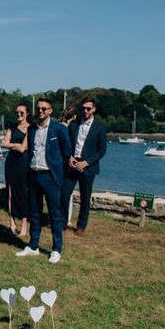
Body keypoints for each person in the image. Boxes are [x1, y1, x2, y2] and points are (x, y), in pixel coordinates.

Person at [16, 98, 71, 264]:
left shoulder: (59, 129)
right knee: (34, 213)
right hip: (33, 175)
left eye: (44, 109)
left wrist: (58, 173)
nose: (40, 111)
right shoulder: (32, 129)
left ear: (50, 111)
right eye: (38, 109)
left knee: (54, 214)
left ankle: (56, 249)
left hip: (50, 176)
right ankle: (33, 246)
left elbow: (66, 153)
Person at [60, 97, 107, 236]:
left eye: (88, 108)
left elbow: (102, 150)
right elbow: (66, 143)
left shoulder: (100, 127)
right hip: (72, 164)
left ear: (94, 109)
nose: (85, 111)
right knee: (64, 193)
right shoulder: (74, 124)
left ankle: (81, 226)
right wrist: (69, 157)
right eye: (83, 108)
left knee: (85, 198)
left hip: (88, 167)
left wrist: (86, 163)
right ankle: (62, 223)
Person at [1, 103, 33, 236]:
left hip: (23, 163)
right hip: (10, 163)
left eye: (21, 113)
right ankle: (12, 224)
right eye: (17, 113)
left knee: (22, 193)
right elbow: (3, 143)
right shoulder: (12, 127)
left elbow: (23, 148)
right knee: (10, 194)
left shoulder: (31, 129)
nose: (19, 115)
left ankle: (24, 225)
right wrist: (16, 144)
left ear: (27, 114)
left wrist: (12, 145)